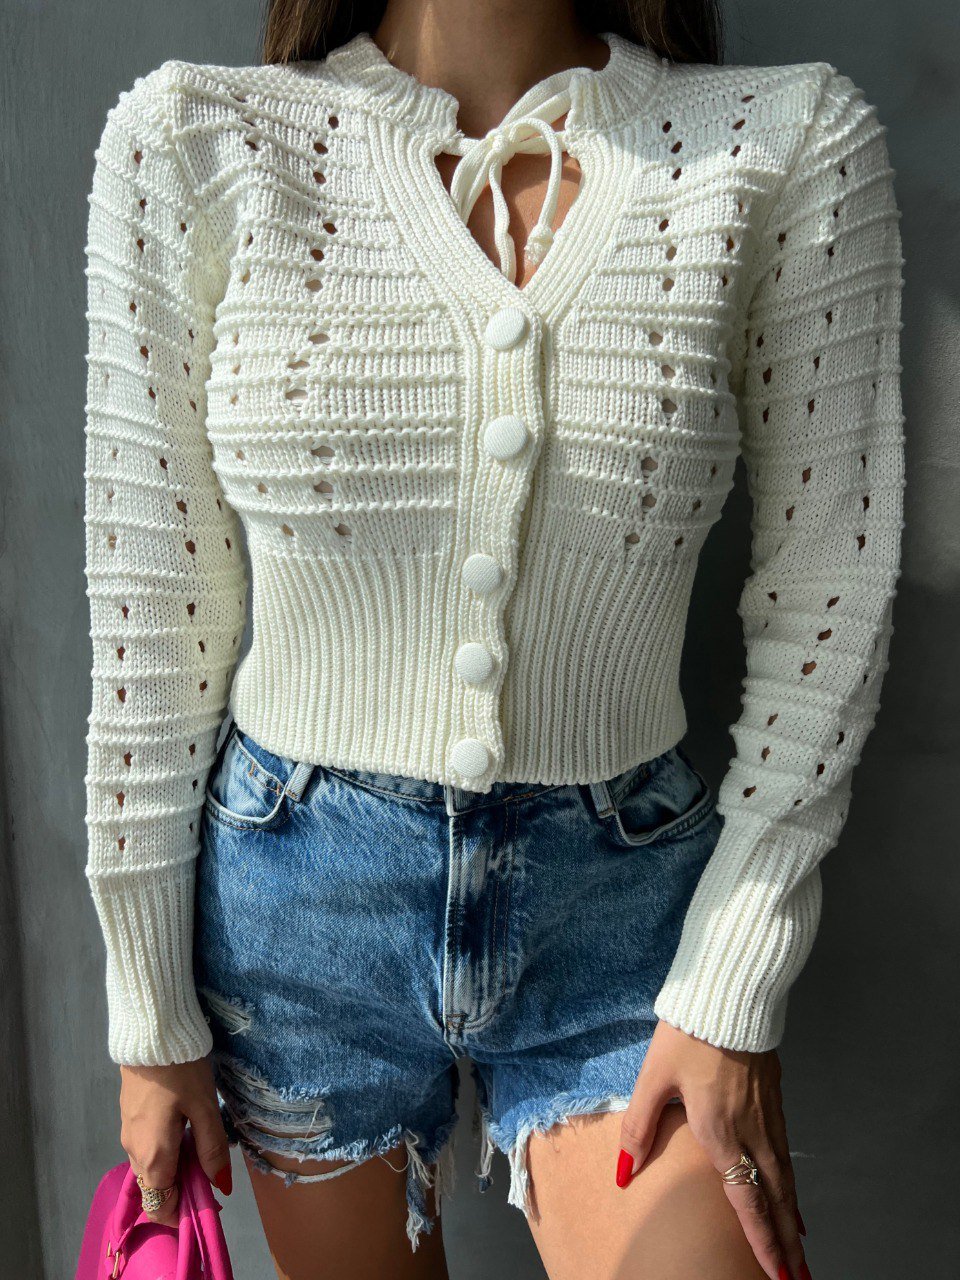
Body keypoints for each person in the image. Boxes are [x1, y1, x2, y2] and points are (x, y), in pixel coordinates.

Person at [81, 1, 904, 1277]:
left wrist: (734, 980)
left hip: (628, 915)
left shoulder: (782, 139)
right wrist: (147, 1013)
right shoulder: (197, 136)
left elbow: (830, 593)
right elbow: (151, 600)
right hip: (297, 909)